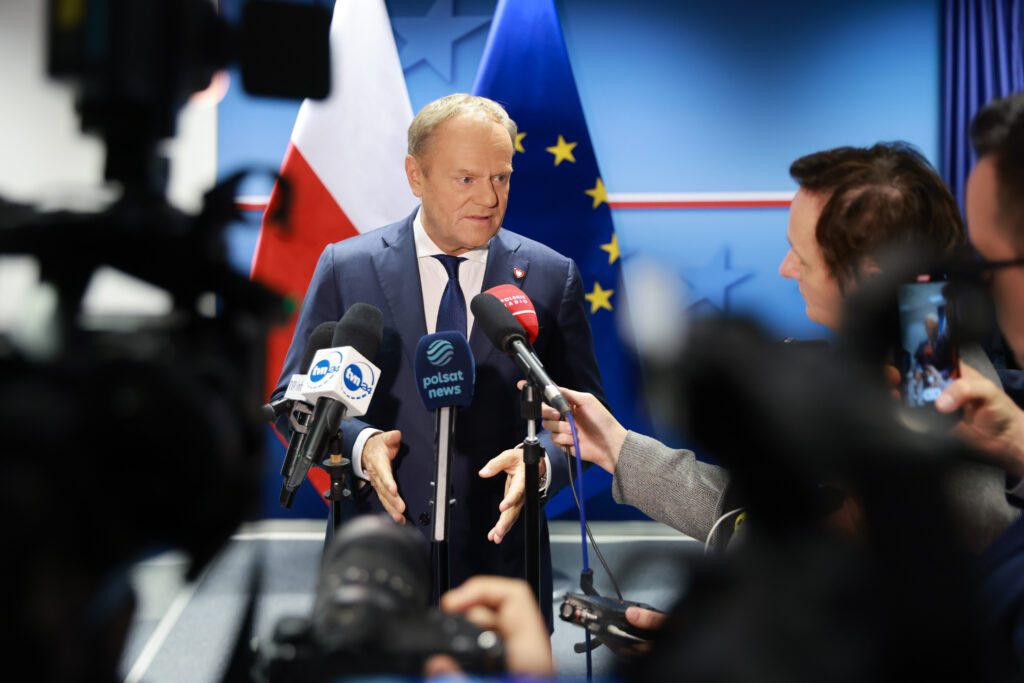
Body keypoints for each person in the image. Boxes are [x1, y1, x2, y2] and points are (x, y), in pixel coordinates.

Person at [270, 94, 605, 622]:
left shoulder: (549, 276)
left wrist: (541, 469)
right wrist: (360, 447)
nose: (490, 198)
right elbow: (293, 400)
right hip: (376, 561)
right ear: (415, 175)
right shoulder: (347, 267)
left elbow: (584, 417)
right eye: (466, 179)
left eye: (502, 177)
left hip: (503, 564)